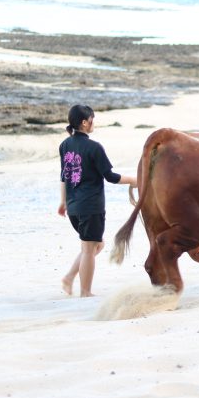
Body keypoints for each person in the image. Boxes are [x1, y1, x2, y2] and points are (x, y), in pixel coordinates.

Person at [57, 104, 137, 297]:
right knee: (88, 248)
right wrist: (136, 180)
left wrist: (63, 202)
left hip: (74, 208)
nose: (94, 124)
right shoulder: (94, 147)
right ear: (84, 122)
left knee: (94, 246)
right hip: (90, 207)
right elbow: (110, 176)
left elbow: (64, 177)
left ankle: (69, 278)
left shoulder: (65, 145)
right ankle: (85, 292)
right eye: (92, 120)